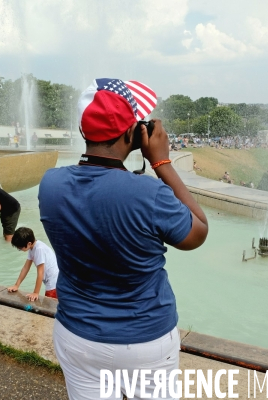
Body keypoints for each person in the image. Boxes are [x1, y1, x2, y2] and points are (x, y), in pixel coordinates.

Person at [39, 78, 208, 399]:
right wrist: (161, 162)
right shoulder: (149, 193)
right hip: (145, 341)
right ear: (132, 134)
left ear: (82, 130)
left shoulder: (51, 184)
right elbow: (197, 231)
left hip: (78, 336)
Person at [7, 227, 59, 301]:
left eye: (20, 248)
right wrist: (16, 285)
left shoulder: (39, 249)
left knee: (50, 305)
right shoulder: (32, 248)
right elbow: (26, 268)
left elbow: (40, 272)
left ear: (29, 243)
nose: (20, 250)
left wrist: (35, 293)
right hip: (52, 281)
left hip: (54, 283)